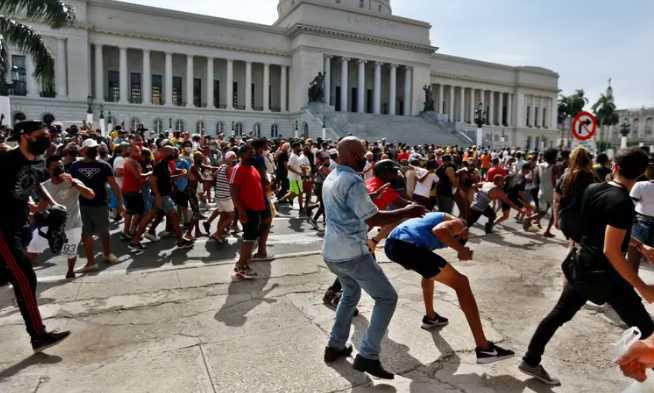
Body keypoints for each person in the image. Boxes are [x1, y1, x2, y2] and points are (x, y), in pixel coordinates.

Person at [520, 148, 654, 387]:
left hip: (581, 265)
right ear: (642, 174)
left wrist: (638, 245)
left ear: (614, 167)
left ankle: (531, 359)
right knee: (647, 329)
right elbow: (611, 251)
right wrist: (642, 287)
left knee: (559, 314)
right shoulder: (622, 202)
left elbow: (598, 230)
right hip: (606, 276)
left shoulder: (593, 189)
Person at [321, 136, 425, 379]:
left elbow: (350, 208)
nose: (362, 158)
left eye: (363, 154)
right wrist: (408, 211)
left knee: (350, 294)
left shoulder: (332, 176)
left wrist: (374, 197)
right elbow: (373, 219)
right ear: (345, 154)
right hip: (352, 253)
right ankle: (368, 355)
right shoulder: (353, 181)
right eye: (358, 154)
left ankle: (334, 346)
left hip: (331, 253)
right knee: (387, 298)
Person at [384, 212, 515, 363]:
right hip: (407, 247)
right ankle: (485, 348)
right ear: (465, 230)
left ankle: (431, 318)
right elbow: (440, 231)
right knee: (462, 283)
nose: (459, 239)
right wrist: (461, 249)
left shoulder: (427, 220)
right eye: (462, 238)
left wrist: (375, 240)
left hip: (393, 246)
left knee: (428, 273)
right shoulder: (459, 223)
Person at [0, 120, 70, 351]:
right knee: (24, 279)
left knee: (17, 278)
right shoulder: (6, 161)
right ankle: (38, 335)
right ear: (25, 136)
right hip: (3, 230)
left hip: (19, 227)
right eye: (41, 135)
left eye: (47, 134)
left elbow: (35, 184)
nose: (46, 138)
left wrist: (48, 205)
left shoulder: (38, 162)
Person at [28, 155, 95, 279]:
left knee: (70, 251)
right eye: (55, 167)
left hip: (72, 224)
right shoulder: (45, 186)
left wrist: (75, 184)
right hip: (50, 225)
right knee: (32, 249)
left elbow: (91, 195)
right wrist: (33, 207)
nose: (59, 168)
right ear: (48, 170)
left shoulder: (73, 181)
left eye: (61, 166)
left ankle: (70, 271)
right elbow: (42, 207)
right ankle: (24, 273)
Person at [70, 138, 124, 272]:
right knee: (87, 233)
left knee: (102, 231)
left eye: (95, 149)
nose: (94, 151)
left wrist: (120, 203)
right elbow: (70, 186)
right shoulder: (75, 166)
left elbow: (114, 185)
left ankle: (105, 255)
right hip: (82, 205)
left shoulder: (103, 165)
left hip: (99, 204)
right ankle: (92, 261)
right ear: (82, 150)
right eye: (91, 149)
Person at [129, 146, 194, 250]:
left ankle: (135, 240)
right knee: (174, 217)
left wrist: (180, 174)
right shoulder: (159, 165)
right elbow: (153, 181)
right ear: (165, 153)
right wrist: (158, 197)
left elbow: (166, 179)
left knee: (149, 218)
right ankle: (180, 240)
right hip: (162, 196)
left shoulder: (165, 164)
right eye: (172, 152)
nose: (174, 154)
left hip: (161, 196)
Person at [230, 144, 267, 279]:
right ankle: (242, 266)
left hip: (257, 208)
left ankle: (243, 263)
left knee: (251, 239)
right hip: (248, 210)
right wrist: (240, 210)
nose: (253, 155)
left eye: (253, 153)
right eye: (250, 153)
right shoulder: (238, 169)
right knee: (249, 239)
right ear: (241, 155)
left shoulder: (252, 168)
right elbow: (233, 190)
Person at [466, 175, 531, 234]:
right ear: (497, 181)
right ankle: (459, 233)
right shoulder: (497, 191)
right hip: (477, 208)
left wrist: (478, 192)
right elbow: (509, 203)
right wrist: (520, 210)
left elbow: (473, 186)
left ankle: (488, 229)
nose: (504, 182)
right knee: (469, 222)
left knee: (492, 215)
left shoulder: (487, 183)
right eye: (502, 181)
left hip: (483, 206)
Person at [204, 151, 237, 244]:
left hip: (219, 195)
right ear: (227, 158)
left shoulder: (222, 166)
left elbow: (214, 175)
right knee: (231, 216)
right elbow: (232, 181)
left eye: (234, 157)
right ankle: (217, 233)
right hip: (226, 196)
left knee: (223, 215)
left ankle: (220, 232)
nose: (234, 159)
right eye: (232, 157)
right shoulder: (230, 168)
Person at [627, 162, 654, 272]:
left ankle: (629, 287)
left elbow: (629, 206)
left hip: (640, 224)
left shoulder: (640, 185)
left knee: (633, 263)